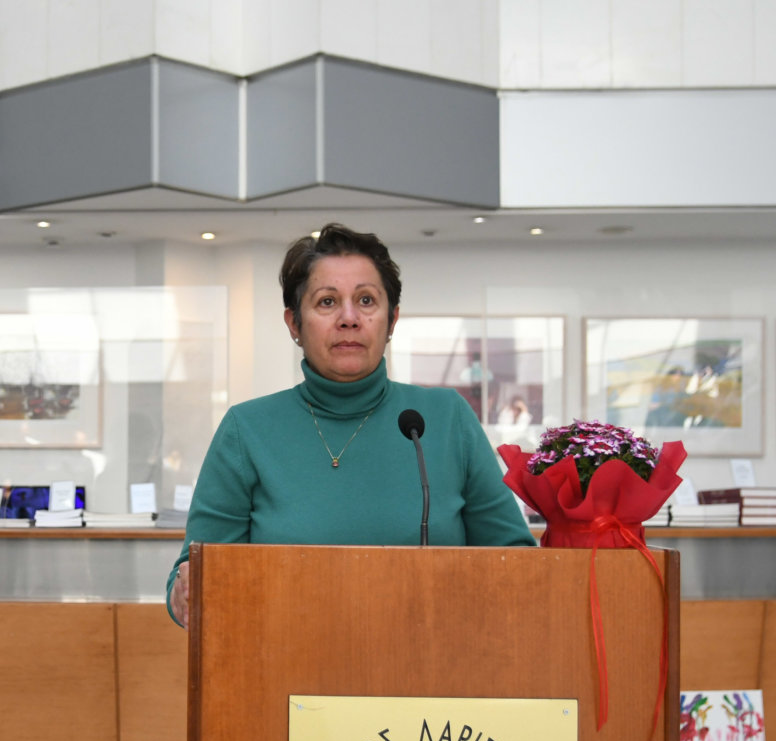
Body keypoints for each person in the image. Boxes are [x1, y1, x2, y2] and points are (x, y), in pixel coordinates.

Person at [167, 224, 534, 626]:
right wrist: (186, 593)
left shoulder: (444, 419)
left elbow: (514, 558)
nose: (349, 318)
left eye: (366, 300)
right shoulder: (246, 430)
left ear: (391, 320)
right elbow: (196, 574)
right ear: (294, 323)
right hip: (286, 657)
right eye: (327, 302)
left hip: (433, 656)